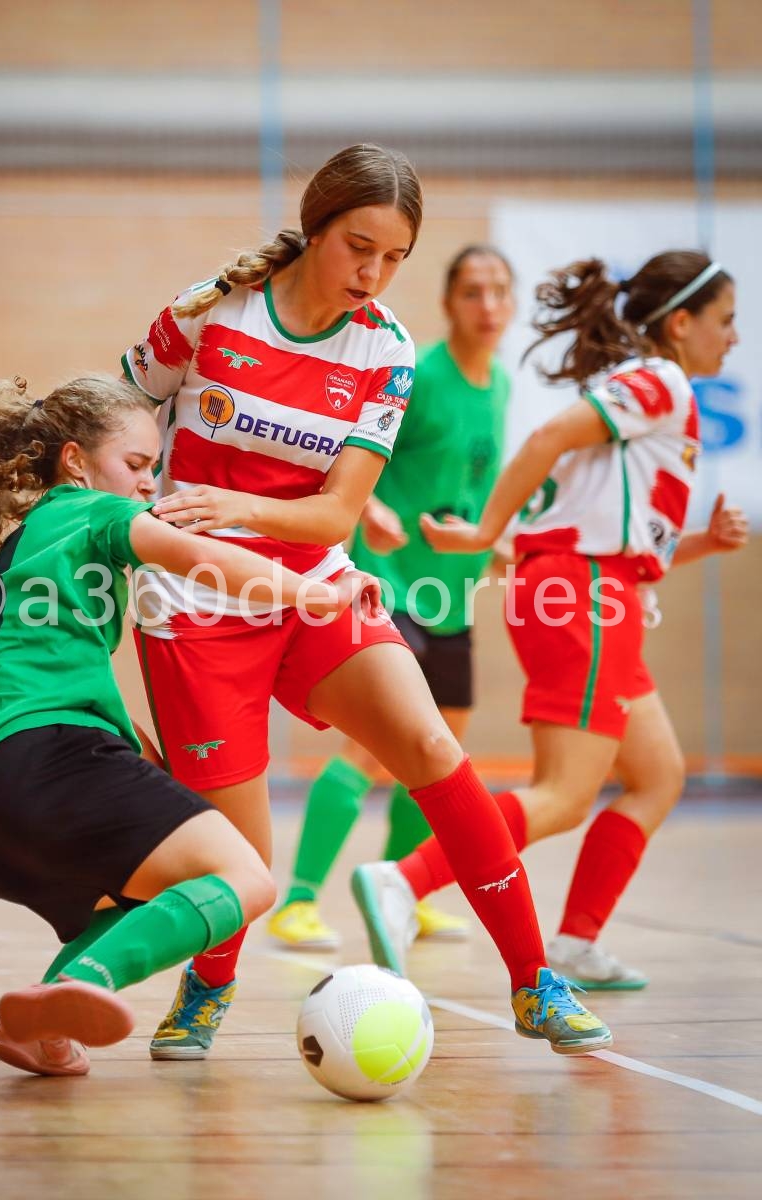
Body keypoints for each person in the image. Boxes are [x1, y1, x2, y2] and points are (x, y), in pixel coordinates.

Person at [122, 143, 613, 1058]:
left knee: (434, 747)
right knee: (246, 862)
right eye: (359, 247)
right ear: (316, 228)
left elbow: (337, 512)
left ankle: (534, 980)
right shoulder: (206, 314)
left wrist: (238, 505)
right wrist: (124, 523)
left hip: (315, 587)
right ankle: (210, 982)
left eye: (394, 258)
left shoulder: (385, 348)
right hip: (193, 602)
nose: (374, 274)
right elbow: (114, 426)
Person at [0, 371, 374, 1078]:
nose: (149, 484)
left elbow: (44, 684)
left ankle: (36, 1028)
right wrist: (314, 593)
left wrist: (144, 761)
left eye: (156, 467)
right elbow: (201, 557)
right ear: (76, 462)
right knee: (247, 877)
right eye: (137, 464)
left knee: (150, 885)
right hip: (49, 761)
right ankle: (80, 984)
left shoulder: (29, 544)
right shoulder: (91, 511)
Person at [351, 250, 748, 988]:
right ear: (681, 323)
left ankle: (575, 942)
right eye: (726, 320)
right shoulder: (658, 382)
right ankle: (404, 879)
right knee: (563, 795)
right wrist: (483, 532)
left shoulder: (646, 392)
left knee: (658, 774)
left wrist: (703, 542)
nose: (735, 337)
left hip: (590, 588)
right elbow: (545, 441)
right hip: (584, 595)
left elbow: (614, 531)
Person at [268, 245, 516, 951]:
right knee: (371, 747)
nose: (488, 306)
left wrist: (495, 546)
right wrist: (369, 507)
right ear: (448, 303)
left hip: (453, 593)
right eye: (473, 292)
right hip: (392, 585)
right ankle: (298, 901)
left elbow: (473, 488)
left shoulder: (499, 384)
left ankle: (403, 887)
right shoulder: (424, 377)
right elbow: (346, 451)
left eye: (500, 291)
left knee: (443, 748)